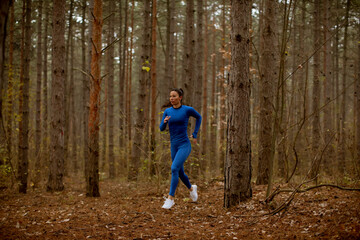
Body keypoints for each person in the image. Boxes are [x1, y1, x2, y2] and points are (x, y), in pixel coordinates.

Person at [159, 88, 202, 209]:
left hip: (184, 144)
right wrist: (165, 122)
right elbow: (161, 128)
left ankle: (170, 198)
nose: (171, 98)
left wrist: (195, 133)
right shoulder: (167, 111)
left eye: (174, 96)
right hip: (174, 145)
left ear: (180, 97)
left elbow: (199, 117)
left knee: (174, 168)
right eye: (170, 96)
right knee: (179, 172)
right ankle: (191, 188)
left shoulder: (187, 110)